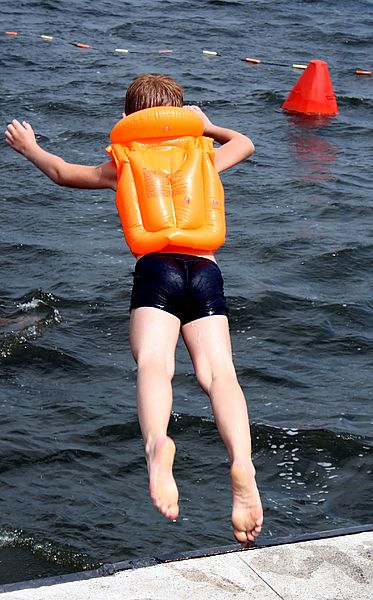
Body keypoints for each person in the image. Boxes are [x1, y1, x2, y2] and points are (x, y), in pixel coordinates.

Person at [4, 73, 263, 543]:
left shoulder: (123, 165)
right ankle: (242, 463)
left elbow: (63, 173)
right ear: (183, 116)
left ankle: (157, 446)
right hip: (205, 273)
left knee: (154, 364)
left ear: (128, 119)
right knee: (220, 374)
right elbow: (244, 143)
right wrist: (208, 126)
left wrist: (31, 149)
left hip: (156, 271)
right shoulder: (204, 154)